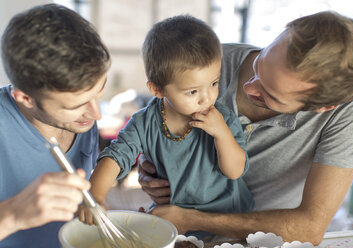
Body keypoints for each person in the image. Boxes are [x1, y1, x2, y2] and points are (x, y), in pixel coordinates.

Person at [138, 11, 353, 245]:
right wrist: (149, 168)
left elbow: (309, 228)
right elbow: (150, 130)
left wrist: (192, 218)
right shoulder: (206, 62)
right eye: (258, 64)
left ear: (324, 107)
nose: (249, 88)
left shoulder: (352, 107)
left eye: (269, 95)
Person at [77, 15, 253, 238]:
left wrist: (221, 134)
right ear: (158, 90)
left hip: (227, 221)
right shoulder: (145, 123)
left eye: (214, 83)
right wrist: (95, 198)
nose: (207, 98)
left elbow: (235, 171)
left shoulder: (222, 118)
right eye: (192, 91)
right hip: (175, 218)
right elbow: (114, 157)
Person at [0, 4, 110, 247]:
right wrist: (12, 214)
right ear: (25, 98)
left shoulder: (82, 120)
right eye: (75, 105)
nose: (96, 114)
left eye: (99, 91)